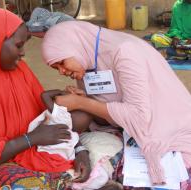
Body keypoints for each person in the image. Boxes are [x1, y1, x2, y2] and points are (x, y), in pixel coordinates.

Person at [0, 9, 91, 190]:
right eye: (18, 45)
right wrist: (31, 139)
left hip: (37, 151)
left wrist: (80, 151)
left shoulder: (20, 71)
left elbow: (49, 118)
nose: (22, 54)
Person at [41, 21, 191, 188]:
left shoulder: (124, 51)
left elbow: (138, 117)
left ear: (75, 45)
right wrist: (87, 101)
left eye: (62, 62)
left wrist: (82, 103)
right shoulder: (86, 60)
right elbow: (110, 119)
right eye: (56, 68)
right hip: (131, 132)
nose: (62, 71)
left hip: (170, 127)